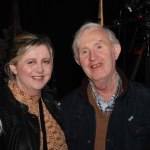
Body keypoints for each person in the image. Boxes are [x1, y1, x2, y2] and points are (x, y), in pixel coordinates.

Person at [60, 22, 150, 150]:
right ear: (78, 62)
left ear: (116, 51)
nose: (92, 57)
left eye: (99, 47)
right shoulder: (66, 109)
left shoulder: (146, 100)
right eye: (84, 51)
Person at [0, 32, 68, 150]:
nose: (40, 69)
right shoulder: (3, 112)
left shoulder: (54, 102)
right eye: (31, 62)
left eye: (45, 61)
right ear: (14, 67)